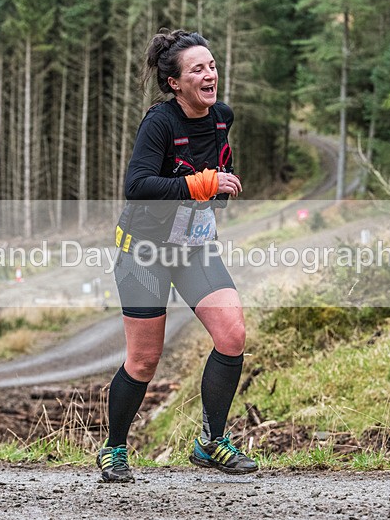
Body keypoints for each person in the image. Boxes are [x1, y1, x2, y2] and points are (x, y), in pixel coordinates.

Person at [97, 28, 258, 483]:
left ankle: (210, 442)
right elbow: (138, 186)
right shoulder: (160, 123)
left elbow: (217, 169)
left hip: (194, 248)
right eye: (197, 69)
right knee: (144, 360)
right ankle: (114, 449)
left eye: (212, 66)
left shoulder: (221, 117)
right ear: (175, 83)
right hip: (144, 251)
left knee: (232, 334)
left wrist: (220, 186)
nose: (210, 75)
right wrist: (203, 184)